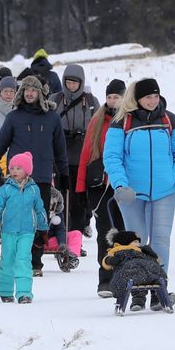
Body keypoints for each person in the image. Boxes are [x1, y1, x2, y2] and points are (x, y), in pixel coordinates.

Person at [102, 77, 175, 309]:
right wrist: (120, 185)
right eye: (148, 96)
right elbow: (112, 156)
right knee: (135, 241)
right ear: (137, 98)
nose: (153, 101)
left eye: (155, 96)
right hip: (132, 193)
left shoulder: (170, 120)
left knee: (161, 239)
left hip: (165, 190)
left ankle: (159, 288)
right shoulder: (122, 121)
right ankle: (138, 291)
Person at [0, 75, 69, 277]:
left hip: (41, 176)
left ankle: (35, 262)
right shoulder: (13, 117)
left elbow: (60, 148)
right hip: (16, 178)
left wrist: (64, 173)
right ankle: (15, 257)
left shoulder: (52, 117)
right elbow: (0, 145)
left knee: (39, 219)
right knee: (16, 219)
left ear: (41, 93)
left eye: (33, 90)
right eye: (26, 90)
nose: (30, 93)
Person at [76, 78, 125, 297]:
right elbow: (86, 154)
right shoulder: (97, 121)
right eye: (110, 96)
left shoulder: (130, 120)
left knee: (125, 232)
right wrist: (80, 189)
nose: (112, 100)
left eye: (116, 96)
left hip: (123, 184)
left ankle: (124, 276)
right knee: (105, 233)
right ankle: (105, 279)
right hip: (100, 185)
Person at [0, 151, 48, 303]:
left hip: (27, 231)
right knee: (7, 260)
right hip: (8, 231)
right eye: (12, 168)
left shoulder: (34, 189)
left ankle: (24, 293)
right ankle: (5, 291)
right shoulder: (5, 189)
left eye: (18, 168)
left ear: (27, 170)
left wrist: (43, 229)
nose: (14, 171)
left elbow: (40, 210)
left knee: (23, 260)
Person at [51, 63, 99, 243]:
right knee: (59, 199)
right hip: (59, 158)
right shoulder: (55, 100)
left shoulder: (91, 102)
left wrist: (84, 136)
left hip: (82, 158)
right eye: (68, 82)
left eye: (75, 83)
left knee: (80, 200)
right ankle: (60, 236)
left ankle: (75, 238)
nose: (71, 86)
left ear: (81, 83)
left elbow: (97, 127)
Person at [102, 230, 174, 314]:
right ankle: (138, 301)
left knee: (157, 273)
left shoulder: (142, 250)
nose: (138, 244)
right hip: (130, 273)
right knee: (132, 274)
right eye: (135, 242)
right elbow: (105, 262)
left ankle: (157, 298)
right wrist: (110, 260)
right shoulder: (115, 251)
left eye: (139, 242)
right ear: (125, 242)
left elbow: (157, 261)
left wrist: (153, 255)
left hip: (147, 272)